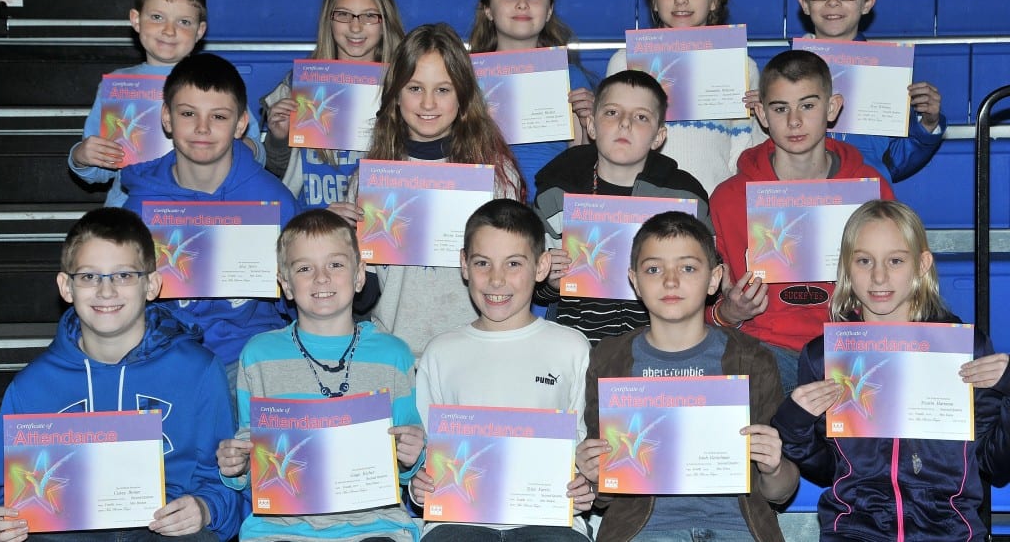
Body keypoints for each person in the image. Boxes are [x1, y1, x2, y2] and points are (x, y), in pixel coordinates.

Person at [0, 207, 241, 542]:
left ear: (151, 285)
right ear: (66, 286)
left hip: (163, 532)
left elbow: (228, 482)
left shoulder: (199, 370)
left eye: (123, 275)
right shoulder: (31, 387)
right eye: (90, 276)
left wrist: (206, 508)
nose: (106, 291)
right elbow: (1, 492)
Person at [772, 199, 1010, 540]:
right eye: (864, 261)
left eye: (895, 261)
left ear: (922, 264)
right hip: (854, 531)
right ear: (846, 267)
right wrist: (792, 424)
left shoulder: (963, 350)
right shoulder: (824, 356)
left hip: (950, 532)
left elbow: (993, 464)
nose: (879, 276)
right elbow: (828, 470)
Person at [577, 210, 799, 542]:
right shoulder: (610, 360)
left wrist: (774, 466)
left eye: (688, 267)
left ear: (714, 279)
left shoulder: (752, 359)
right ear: (634, 281)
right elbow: (604, 496)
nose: (670, 280)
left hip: (737, 528)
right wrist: (594, 474)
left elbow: (781, 492)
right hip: (642, 531)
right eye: (654, 269)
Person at [215, 210, 424, 542]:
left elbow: (408, 455)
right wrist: (236, 466)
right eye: (304, 268)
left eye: (336, 265)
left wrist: (413, 455)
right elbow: (250, 446)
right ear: (285, 283)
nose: (321, 278)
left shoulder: (393, 355)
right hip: (280, 528)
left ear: (359, 277)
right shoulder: (259, 355)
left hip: (375, 525)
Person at [710, 50, 895, 394]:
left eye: (808, 106)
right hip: (765, 348)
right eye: (781, 109)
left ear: (833, 107)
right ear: (762, 114)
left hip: (853, 346)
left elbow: (904, 284)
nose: (794, 121)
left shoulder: (871, 189)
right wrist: (731, 312)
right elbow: (704, 307)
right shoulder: (728, 198)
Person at [410, 199, 595, 541]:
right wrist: (418, 486)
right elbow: (423, 450)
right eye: (483, 263)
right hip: (458, 521)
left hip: (552, 520)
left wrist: (586, 484)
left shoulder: (572, 346)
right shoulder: (441, 352)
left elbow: (584, 446)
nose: (496, 280)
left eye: (513, 264)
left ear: (541, 267)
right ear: (464, 265)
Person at [346, 23, 525, 358]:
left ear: (463, 96)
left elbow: (514, 278)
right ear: (395, 95)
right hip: (395, 357)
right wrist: (344, 247)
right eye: (415, 88)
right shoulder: (370, 181)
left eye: (443, 90)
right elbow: (365, 297)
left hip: (477, 355)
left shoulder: (496, 177)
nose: (428, 103)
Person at [118, 53, 299, 379]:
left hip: (250, 359)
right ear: (167, 118)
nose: (202, 128)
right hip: (167, 358)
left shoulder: (274, 203)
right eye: (188, 113)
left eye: (218, 116)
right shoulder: (140, 209)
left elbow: (295, 304)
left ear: (241, 124)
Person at [534, 69, 710, 345]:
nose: (625, 124)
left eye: (641, 117)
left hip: (662, 346)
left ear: (658, 136)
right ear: (591, 126)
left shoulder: (685, 196)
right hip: (579, 346)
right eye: (612, 113)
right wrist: (549, 282)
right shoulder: (557, 193)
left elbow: (707, 278)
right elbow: (535, 285)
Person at [68, 0, 264, 208]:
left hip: (203, 209)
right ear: (136, 20)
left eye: (183, 22)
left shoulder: (216, 80)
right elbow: (100, 171)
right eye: (157, 17)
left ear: (200, 30)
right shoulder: (118, 86)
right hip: (131, 212)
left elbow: (256, 153)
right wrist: (83, 157)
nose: (169, 31)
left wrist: (242, 147)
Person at [605, 0, 764, 194]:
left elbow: (744, 155)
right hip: (642, 210)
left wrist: (765, 119)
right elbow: (611, 149)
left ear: (715, 0)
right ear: (654, 1)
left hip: (711, 213)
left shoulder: (741, 67)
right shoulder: (624, 63)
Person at [261, 0, 405, 219]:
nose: (356, 27)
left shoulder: (404, 87)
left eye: (369, 16)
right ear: (329, 18)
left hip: (376, 223)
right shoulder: (299, 86)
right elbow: (276, 169)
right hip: (311, 220)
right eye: (344, 15)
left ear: (385, 21)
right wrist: (279, 139)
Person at [797, 0, 946, 183]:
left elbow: (894, 160)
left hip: (865, 202)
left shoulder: (886, 72)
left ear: (867, 2)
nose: (833, 1)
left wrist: (927, 123)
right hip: (801, 195)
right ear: (805, 3)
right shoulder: (787, 71)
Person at [468, 0, 596, 203]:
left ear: (549, 11)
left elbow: (580, 162)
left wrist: (589, 123)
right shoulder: (464, 76)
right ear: (487, 9)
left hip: (548, 213)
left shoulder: (571, 77)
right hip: (484, 210)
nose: (522, 4)